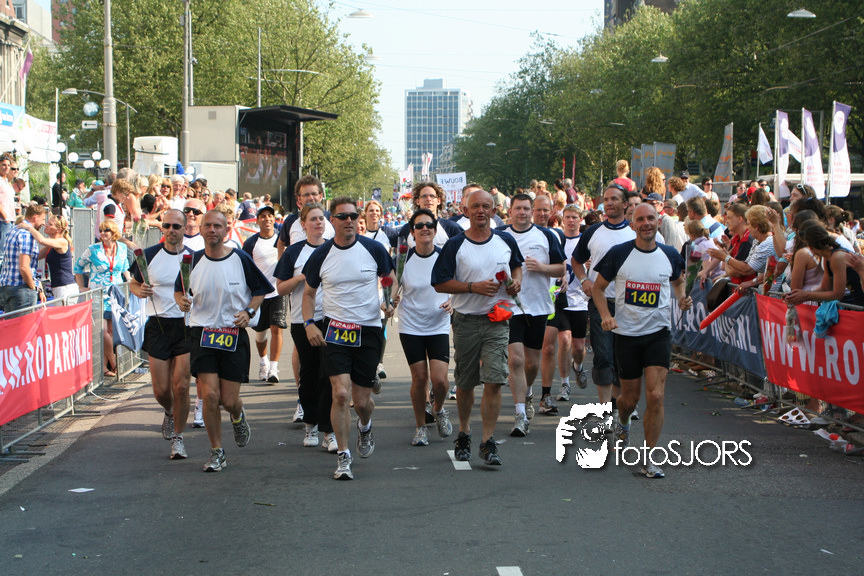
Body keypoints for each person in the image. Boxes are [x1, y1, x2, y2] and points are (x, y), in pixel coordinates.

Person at [593, 203, 690, 478]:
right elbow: (598, 289)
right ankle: (623, 421)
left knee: (656, 396)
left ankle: (648, 458)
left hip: (658, 333)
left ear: (659, 221)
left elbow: (678, 281)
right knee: (630, 399)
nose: (646, 223)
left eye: (651, 218)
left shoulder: (670, 254)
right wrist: (606, 316)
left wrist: (681, 298)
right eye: (640, 219)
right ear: (633, 224)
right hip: (627, 335)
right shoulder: (619, 253)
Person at [302, 196, 396, 480]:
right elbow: (309, 294)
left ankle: (364, 426)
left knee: (362, 401)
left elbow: (391, 280)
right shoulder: (321, 255)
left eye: (354, 216)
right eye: (343, 217)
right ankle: (343, 456)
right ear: (333, 220)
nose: (349, 221)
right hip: (335, 331)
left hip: (368, 330)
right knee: (341, 394)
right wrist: (309, 323)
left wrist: (390, 301)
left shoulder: (374, 249)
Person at [174, 210, 273, 472]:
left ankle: (238, 415)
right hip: (203, 334)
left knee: (228, 401)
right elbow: (179, 290)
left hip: (232, 334)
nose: (212, 230)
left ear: (226, 230)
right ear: (200, 229)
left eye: (217, 226)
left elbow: (261, 291)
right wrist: (181, 301)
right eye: (207, 225)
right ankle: (217, 451)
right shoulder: (191, 260)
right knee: (209, 395)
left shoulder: (240, 258)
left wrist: (248, 312)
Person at [432, 189, 523, 466]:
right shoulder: (455, 245)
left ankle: (487, 440)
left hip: (497, 319)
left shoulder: (506, 240)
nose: (481, 211)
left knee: (495, 379)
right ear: (466, 211)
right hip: (466, 320)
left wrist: (516, 282)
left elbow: (516, 267)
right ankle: (464, 432)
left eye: (486, 206)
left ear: (494, 211)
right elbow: (440, 282)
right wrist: (473, 287)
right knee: (466, 382)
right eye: (475, 207)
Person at [129, 209, 195, 459]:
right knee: (161, 391)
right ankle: (169, 411)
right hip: (157, 325)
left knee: (181, 386)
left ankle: (178, 438)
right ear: (162, 228)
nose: (171, 230)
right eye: (167, 226)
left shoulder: (193, 257)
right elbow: (134, 282)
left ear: (185, 228)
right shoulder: (148, 255)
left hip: (186, 325)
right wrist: (139, 290)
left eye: (176, 226)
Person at [498, 194, 566, 436]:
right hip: (509, 306)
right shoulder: (499, 235)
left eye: (526, 209)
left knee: (531, 362)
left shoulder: (546, 235)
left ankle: (527, 394)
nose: (522, 212)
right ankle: (520, 414)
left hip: (538, 306)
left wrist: (542, 268)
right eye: (518, 208)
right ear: (510, 211)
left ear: (532, 212)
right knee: (515, 360)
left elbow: (561, 268)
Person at [275, 203, 336, 452]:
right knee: (309, 374)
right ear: (303, 225)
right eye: (313, 219)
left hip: (331, 319)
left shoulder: (334, 248)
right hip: (303, 321)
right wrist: (302, 277)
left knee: (329, 374)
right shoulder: (294, 252)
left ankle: (329, 431)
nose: (318, 223)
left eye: (321, 218)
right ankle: (311, 424)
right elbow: (280, 288)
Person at [572, 183, 636, 412]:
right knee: (603, 356)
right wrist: (584, 280)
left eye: (614, 199)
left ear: (625, 204)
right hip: (601, 304)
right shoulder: (593, 232)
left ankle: (622, 404)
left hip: (629, 305)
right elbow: (576, 261)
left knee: (624, 358)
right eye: (606, 199)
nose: (609, 203)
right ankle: (605, 410)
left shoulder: (635, 232)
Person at [393, 209, 454, 446]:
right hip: (411, 326)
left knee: (440, 381)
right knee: (419, 378)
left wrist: (453, 301)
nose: (424, 229)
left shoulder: (444, 256)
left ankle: (437, 409)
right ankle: (420, 427)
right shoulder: (403, 258)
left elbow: (456, 283)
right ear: (412, 232)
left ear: (435, 230)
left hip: (438, 324)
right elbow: (395, 284)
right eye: (419, 226)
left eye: (429, 225)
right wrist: (392, 299)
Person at [74, 219, 131, 377]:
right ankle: (114, 362)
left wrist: (130, 281)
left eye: (106, 230)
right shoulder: (93, 249)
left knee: (111, 331)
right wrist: (81, 287)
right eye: (101, 230)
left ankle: (104, 368)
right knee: (103, 331)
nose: (103, 233)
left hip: (115, 294)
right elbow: (78, 267)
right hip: (98, 294)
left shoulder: (122, 248)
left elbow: (124, 268)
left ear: (114, 233)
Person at [544, 205, 589, 403]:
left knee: (578, 348)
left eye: (574, 217)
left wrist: (589, 266)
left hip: (580, 300)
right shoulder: (557, 239)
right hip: (560, 298)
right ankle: (565, 384)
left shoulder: (585, 241)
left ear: (580, 220)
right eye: (568, 217)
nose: (571, 220)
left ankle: (578, 366)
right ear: (563, 220)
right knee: (563, 340)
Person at [242, 205, 287, 384]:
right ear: (257, 220)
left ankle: (274, 368)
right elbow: (245, 268)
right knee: (260, 333)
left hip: (278, 291)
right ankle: (263, 362)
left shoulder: (281, 240)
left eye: (270, 216)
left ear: (274, 219)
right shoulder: (251, 243)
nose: (267, 219)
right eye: (263, 216)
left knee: (277, 328)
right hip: (259, 294)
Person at [785, 223, 864, 308]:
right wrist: (796, 295)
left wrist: (806, 295)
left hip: (858, 304)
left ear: (810, 247)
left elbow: (838, 294)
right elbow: (825, 288)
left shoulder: (837, 257)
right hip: (855, 303)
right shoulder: (827, 258)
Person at [0, 203, 48, 313]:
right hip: (21, 288)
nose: (43, 223)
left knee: (11, 323)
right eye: (42, 219)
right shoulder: (26, 234)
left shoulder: (12, 230)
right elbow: (24, 267)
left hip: (6, 287)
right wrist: (33, 288)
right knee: (24, 323)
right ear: (35, 218)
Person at [18, 214, 78, 301]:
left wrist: (29, 227)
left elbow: (42, 240)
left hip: (65, 287)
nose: (45, 225)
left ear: (58, 230)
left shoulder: (62, 242)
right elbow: (36, 256)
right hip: (58, 286)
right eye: (47, 223)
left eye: (50, 224)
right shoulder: (51, 245)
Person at [276, 175, 335, 255]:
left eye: (314, 194)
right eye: (306, 195)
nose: (311, 198)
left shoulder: (331, 218)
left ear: (321, 196)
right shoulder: (291, 220)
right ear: (299, 199)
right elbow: (281, 243)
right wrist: (282, 261)